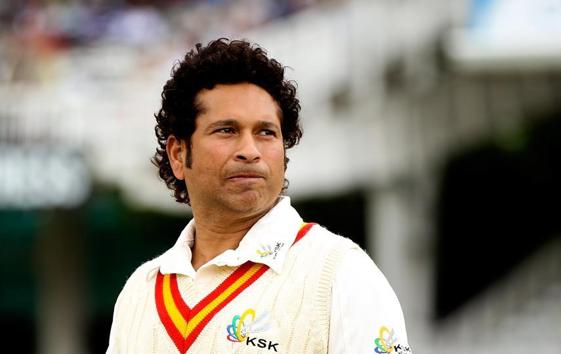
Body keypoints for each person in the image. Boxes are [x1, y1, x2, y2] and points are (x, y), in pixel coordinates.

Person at [106, 38, 412, 354]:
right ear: (178, 154)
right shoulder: (140, 291)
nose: (250, 152)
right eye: (227, 130)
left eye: (266, 132)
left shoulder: (340, 273)